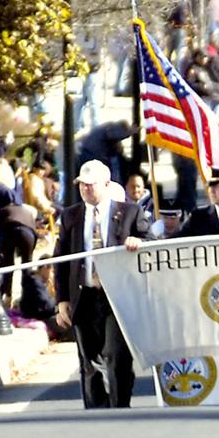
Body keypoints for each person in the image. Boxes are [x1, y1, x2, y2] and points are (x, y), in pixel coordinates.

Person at [53, 160, 148, 408]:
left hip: (116, 296)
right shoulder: (71, 216)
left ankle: (119, 406)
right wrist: (61, 300)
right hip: (84, 294)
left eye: (90, 185)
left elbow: (150, 240)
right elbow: (61, 260)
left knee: (116, 355)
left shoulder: (129, 213)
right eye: (81, 185)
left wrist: (138, 241)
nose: (85, 189)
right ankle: (96, 410)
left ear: (106, 185)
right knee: (88, 359)